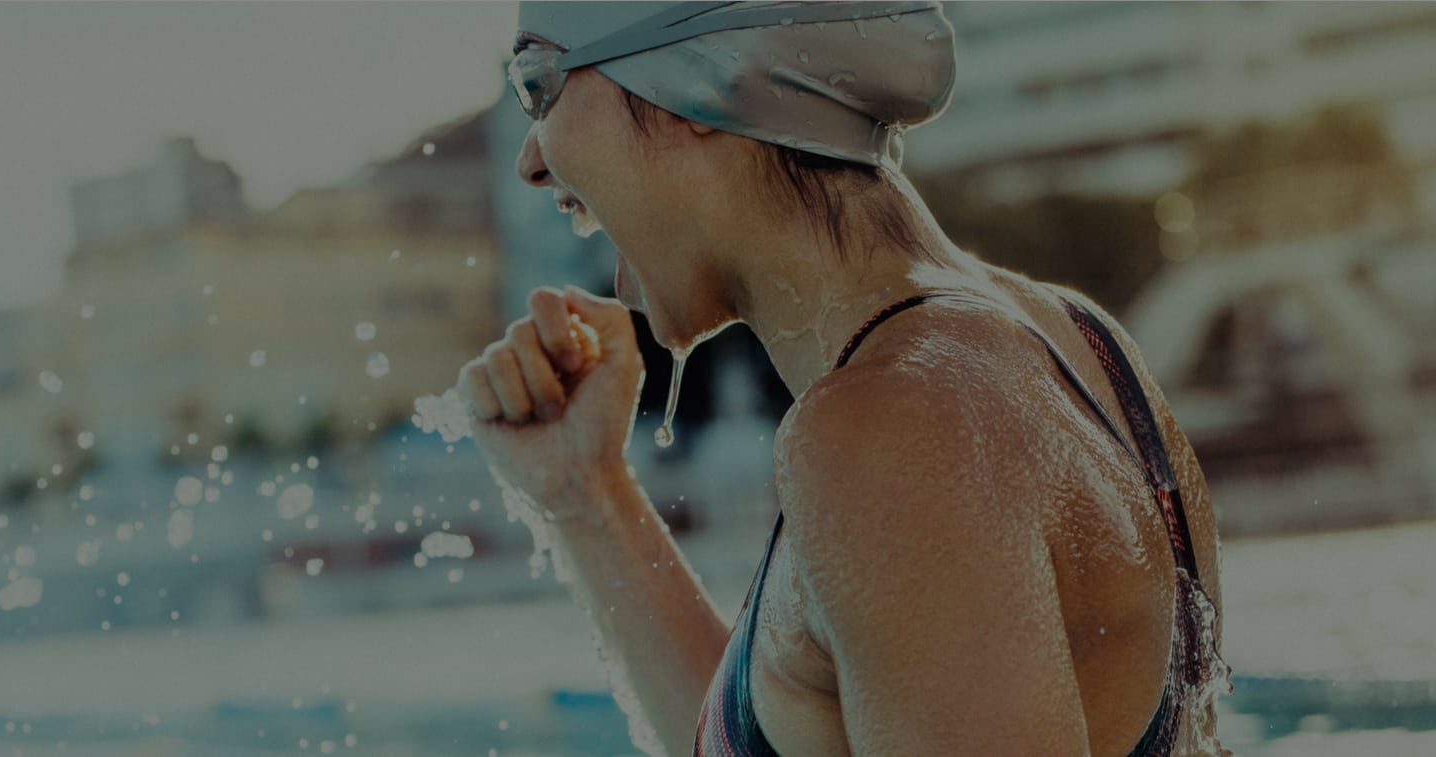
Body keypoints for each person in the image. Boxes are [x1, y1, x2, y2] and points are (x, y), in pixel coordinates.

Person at [455, 2, 1230, 755]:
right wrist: (586, 493)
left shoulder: (893, 428)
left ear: (688, 81)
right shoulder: (1080, 344)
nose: (531, 158)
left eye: (540, 85)